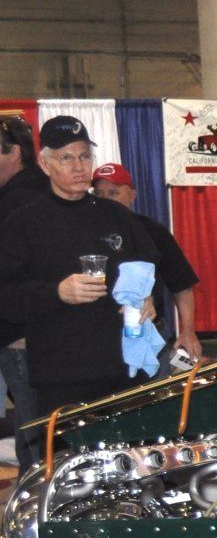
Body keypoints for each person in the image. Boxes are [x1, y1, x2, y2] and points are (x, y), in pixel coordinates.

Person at [0, 116, 158, 420]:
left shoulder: (117, 216)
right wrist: (56, 292)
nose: (78, 166)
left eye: (85, 156)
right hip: (62, 378)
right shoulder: (23, 224)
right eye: (66, 158)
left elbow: (150, 265)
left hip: (124, 370)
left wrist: (150, 299)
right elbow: (5, 295)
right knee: (69, 464)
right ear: (45, 165)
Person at [92, 163, 204, 364]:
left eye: (113, 193)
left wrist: (188, 331)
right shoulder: (83, 233)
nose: (105, 200)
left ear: (132, 195)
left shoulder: (153, 232)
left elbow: (182, 285)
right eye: (98, 194)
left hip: (148, 332)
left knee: (155, 394)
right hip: (99, 336)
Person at [0, 115, 48, 430]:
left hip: (22, 336)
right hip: (40, 333)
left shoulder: (15, 203)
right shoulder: (44, 191)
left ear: (14, 152)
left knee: (36, 433)